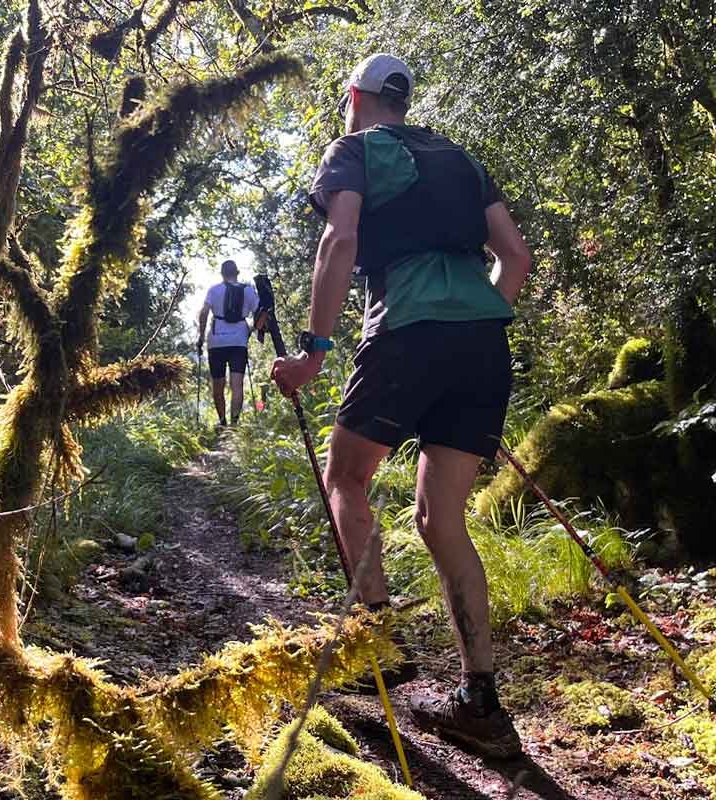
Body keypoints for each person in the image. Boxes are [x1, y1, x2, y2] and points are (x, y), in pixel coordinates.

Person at [271, 53, 532, 758]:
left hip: (405, 328)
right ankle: (480, 700)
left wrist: (314, 351)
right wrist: (472, 329)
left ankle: (377, 647)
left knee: (346, 476)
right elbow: (515, 257)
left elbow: (341, 236)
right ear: (403, 100)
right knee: (440, 518)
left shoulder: (353, 150)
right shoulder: (461, 159)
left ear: (354, 96)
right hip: (482, 343)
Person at [198, 259, 259, 427]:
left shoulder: (214, 290)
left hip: (216, 342)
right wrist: (251, 330)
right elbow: (260, 314)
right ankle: (234, 424)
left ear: (222, 274)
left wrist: (201, 337)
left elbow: (204, 313)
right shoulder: (248, 291)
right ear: (237, 273)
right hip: (238, 342)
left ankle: (222, 422)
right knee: (237, 384)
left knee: (218, 384)